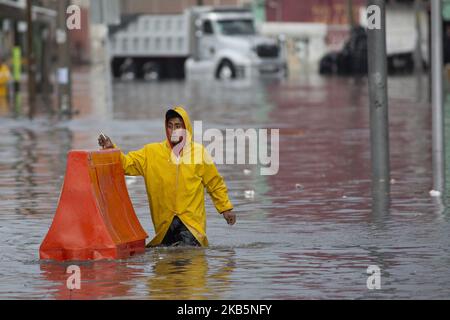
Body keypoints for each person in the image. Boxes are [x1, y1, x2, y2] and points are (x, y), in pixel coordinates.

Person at [98, 106, 236, 247]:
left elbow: (215, 183)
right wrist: (111, 149)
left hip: (192, 227)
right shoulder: (151, 152)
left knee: (188, 259)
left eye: (178, 126)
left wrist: (225, 209)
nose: (174, 131)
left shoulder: (199, 153)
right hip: (165, 227)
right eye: (170, 126)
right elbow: (126, 164)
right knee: (166, 263)